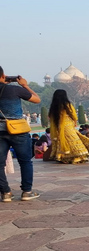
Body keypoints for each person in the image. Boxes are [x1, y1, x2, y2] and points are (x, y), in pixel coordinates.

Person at [0, 67, 41, 201]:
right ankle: (27, 191)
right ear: (3, 76)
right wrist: (24, 85)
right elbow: (36, 99)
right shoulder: (14, 89)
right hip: (18, 130)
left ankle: (5, 192)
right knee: (25, 161)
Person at [48, 89, 89, 164]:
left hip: (58, 128)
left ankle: (64, 157)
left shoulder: (53, 107)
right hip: (68, 126)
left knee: (63, 142)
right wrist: (74, 122)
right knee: (73, 141)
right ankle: (77, 157)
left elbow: (50, 117)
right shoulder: (67, 105)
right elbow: (74, 116)